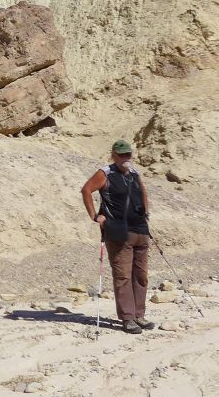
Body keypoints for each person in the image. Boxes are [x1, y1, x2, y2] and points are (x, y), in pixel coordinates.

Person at [81, 139, 154, 333]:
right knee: (123, 276)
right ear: (113, 155)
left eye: (128, 154)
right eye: (121, 155)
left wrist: (146, 211)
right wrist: (95, 216)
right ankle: (127, 318)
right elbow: (86, 190)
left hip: (140, 230)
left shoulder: (134, 173)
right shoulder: (106, 173)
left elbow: (143, 192)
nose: (125, 158)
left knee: (141, 275)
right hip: (118, 231)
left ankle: (139, 315)